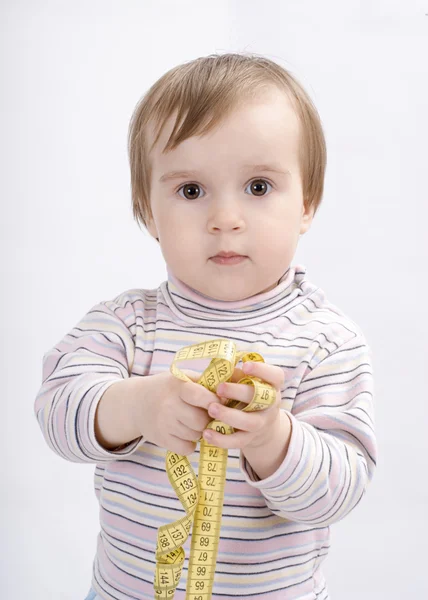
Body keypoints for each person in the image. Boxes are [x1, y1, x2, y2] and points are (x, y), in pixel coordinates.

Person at [34, 52, 377, 600]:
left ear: (307, 202)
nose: (226, 217)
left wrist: (273, 439)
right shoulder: (127, 325)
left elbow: (341, 490)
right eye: (191, 191)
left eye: (259, 187)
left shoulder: (325, 342)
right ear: (147, 209)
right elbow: (56, 411)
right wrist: (139, 405)